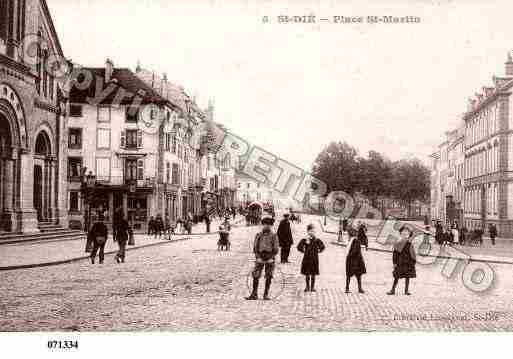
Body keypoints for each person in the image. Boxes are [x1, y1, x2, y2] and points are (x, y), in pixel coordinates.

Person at [245, 216, 279, 300]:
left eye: (269, 225)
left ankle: (266, 294)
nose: (266, 226)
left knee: (269, 275)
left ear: (271, 226)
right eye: (265, 224)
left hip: (270, 257)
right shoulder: (258, 235)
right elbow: (255, 247)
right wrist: (257, 257)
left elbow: (276, 249)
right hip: (260, 256)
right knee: (256, 274)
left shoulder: (274, 236)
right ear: (262, 225)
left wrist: (271, 258)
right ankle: (254, 294)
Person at [387, 225, 416, 295]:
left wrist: (413, 261)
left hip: (408, 262)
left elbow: (413, 253)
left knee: (407, 276)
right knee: (397, 276)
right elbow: (395, 254)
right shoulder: (398, 242)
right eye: (403, 233)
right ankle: (393, 290)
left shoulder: (409, 243)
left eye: (407, 233)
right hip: (400, 262)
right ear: (400, 234)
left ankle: (406, 291)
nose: (405, 235)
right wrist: (394, 263)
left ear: (409, 235)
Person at [297, 224, 325, 292]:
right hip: (307, 258)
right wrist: (303, 250)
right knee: (307, 273)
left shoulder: (317, 239)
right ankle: (307, 287)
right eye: (310, 231)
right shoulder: (305, 239)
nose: (312, 232)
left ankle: (312, 287)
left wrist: (319, 250)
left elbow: (322, 246)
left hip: (314, 259)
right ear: (308, 231)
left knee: (313, 274)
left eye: (313, 231)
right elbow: (299, 246)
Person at [345, 227, 367, 293]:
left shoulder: (355, 241)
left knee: (357, 275)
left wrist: (349, 256)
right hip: (353, 260)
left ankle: (358, 288)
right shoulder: (351, 240)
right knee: (352, 275)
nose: (347, 235)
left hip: (356, 261)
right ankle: (348, 288)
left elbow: (355, 251)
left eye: (348, 234)